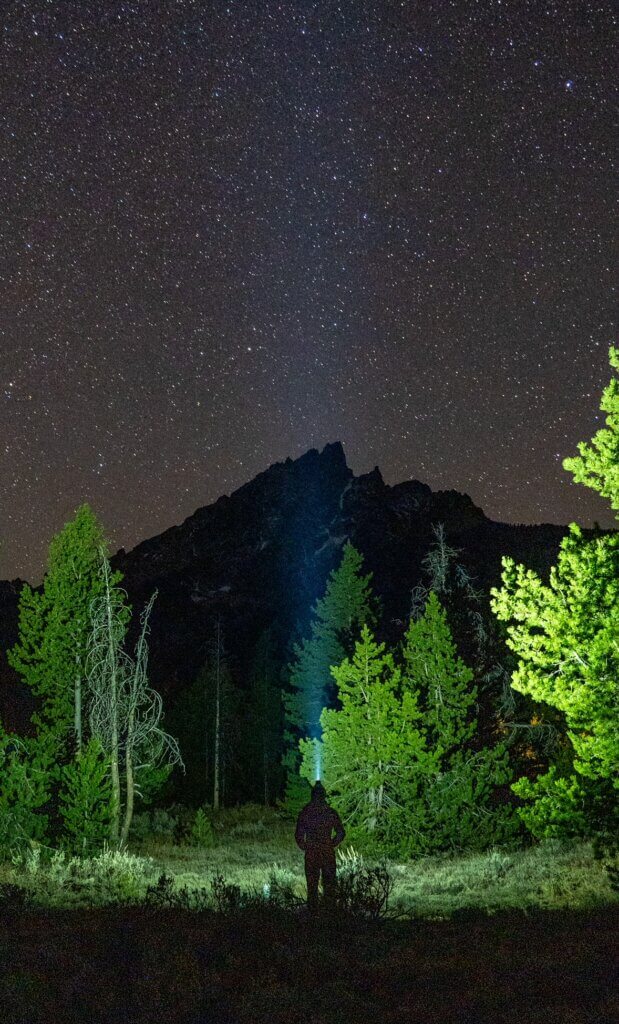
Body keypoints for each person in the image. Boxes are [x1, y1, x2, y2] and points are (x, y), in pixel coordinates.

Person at [295, 781, 345, 911]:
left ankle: (313, 917)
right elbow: (341, 832)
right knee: (329, 888)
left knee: (312, 889)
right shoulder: (330, 812)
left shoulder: (306, 812)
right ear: (323, 795)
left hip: (312, 854)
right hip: (326, 853)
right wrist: (332, 843)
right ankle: (328, 917)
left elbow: (298, 835)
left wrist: (305, 846)